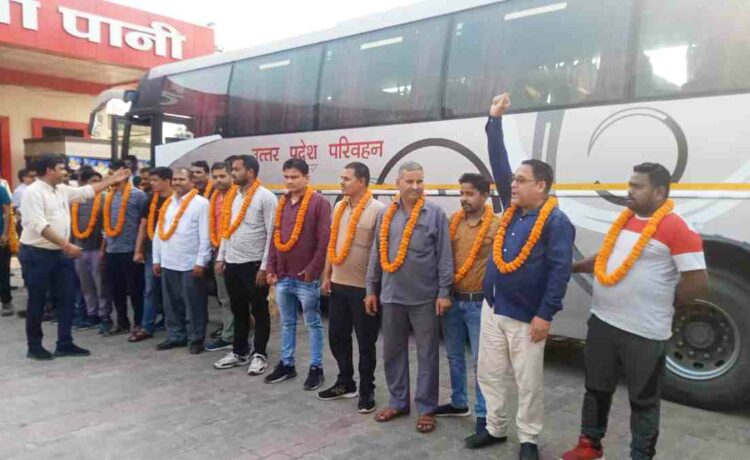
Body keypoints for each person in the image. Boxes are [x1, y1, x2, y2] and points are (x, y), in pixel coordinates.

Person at [560, 163, 708, 460]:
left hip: (644, 333)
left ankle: (641, 455)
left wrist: (665, 302)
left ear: (659, 192)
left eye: (637, 186)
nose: (629, 191)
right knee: (596, 388)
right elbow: (605, 257)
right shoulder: (625, 219)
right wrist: (571, 268)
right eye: (630, 184)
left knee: (644, 400)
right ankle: (590, 445)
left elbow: (697, 282)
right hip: (603, 322)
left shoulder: (676, 227)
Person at [466, 159, 575, 460]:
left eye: (521, 180)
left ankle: (528, 438)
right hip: (493, 307)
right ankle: (495, 427)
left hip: (527, 317)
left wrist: (545, 315)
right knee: (489, 373)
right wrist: (494, 129)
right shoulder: (512, 212)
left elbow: (559, 272)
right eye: (513, 179)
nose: (512, 185)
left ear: (540, 186)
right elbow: (497, 160)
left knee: (528, 383)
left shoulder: (556, 221)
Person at [434, 94, 512, 434]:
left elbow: (503, 170)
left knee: (484, 363)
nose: (464, 198)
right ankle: (458, 401)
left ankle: (483, 415)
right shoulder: (452, 223)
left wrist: (495, 121)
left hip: (481, 305)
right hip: (453, 301)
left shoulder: (498, 224)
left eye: (470, 194)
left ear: (485, 195)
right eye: (461, 193)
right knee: (453, 356)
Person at [366, 161, 454, 434]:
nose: (416, 187)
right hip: (392, 296)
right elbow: (376, 254)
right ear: (398, 184)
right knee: (392, 352)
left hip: (425, 298)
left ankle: (426, 408)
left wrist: (444, 293)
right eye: (410, 182)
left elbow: (445, 257)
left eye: (420, 181)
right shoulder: (386, 214)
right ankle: (398, 401)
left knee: (427, 354)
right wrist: (371, 289)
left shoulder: (435, 214)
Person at [19, 154, 130, 360]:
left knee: (67, 298)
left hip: (59, 253)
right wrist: (67, 245)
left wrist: (112, 180)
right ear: (49, 170)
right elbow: (38, 225)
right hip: (37, 253)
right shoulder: (32, 193)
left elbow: (86, 191)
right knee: (37, 300)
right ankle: (34, 346)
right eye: (61, 168)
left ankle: (64, 343)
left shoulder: (61, 189)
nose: (65, 172)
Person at [318, 162, 385, 413]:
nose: (342, 182)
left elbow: (380, 253)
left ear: (362, 181)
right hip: (338, 285)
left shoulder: (378, 209)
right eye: (342, 178)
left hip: (363, 291)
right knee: (337, 337)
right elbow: (332, 244)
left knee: (366, 343)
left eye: (347, 178)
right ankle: (345, 382)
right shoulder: (339, 207)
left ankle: (367, 390)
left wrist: (373, 290)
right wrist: (327, 275)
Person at [265, 158, 331, 389]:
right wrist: (271, 267)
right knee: (287, 323)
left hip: (305, 278)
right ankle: (287, 364)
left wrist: (312, 270)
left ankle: (316, 368)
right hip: (283, 276)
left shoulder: (319, 203)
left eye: (294, 177)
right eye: (286, 177)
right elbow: (274, 237)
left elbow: (324, 242)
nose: (290, 181)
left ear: (306, 178)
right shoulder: (282, 202)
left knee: (312, 323)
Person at [214, 155, 276, 373]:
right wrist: (221, 257)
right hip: (232, 262)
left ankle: (259, 353)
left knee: (259, 310)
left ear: (250, 171)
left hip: (255, 265)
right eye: (232, 169)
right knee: (238, 309)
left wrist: (264, 267)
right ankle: (239, 351)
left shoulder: (265, 197)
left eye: (236, 169)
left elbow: (271, 234)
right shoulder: (232, 196)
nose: (232, 173)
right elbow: (227, 229)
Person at [153, 168, 212, 354]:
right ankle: (176, 336)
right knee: (171, 304)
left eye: (182, 179)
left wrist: (201, 261)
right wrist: (156, 259)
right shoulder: (168, 203)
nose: (177, 182)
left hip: (190, 263)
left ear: (192, 182)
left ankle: (196, 339)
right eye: (175, 179)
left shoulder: (201, 203)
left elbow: (206, 235)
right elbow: (158, 233)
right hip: (169, 261)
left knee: (194, 304)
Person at [102, 160, 148, 337]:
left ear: (124, 174)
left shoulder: (138, 195)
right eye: (110, 173)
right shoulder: (109, 196)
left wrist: (139, 249)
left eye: (113, 173)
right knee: (116, 289)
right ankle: (121, 322)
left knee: (135, 290)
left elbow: (143, 224)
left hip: (130, 250)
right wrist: (104, 249)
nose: (110, 177)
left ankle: (139, 323)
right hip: (112, 250)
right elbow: (106, 226)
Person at [131, 167, 173, 342]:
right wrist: (138, 250)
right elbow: (143, 226)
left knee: (172, 291)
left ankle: (174, 326)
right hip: (152, 252)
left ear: (167, 181)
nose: (151, 183)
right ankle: (147, 326)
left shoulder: (178, 200)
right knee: (150, 290)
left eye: (155, 180)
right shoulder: (150, 200)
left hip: (173, 252)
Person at [205, 161, 239, 352]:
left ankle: (231, 335)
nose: (218, 180)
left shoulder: (238, 196)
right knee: (224, 297)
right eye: (215, 177)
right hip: (218, 249)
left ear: (231, 176)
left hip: (235, 253)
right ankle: (229, 331)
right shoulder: (215, 196)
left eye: (222, 176)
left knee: (235, 297)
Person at [70, 167, 110, 329]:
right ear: (83, 183)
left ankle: (104, 315)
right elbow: (70, 226)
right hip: (79, 249)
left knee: (101, 285)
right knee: (85, 285)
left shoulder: (104, 199)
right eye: (93, 182)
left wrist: (103, 250)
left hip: (97, 249)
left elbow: (107, 227)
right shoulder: (75, 200)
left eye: (99, 181)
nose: (97, 185)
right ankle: (91, 314)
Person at [0, 181, 12, 317]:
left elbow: (7, 211)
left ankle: (6, 302)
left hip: (0, 236)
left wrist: (5, 233)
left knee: (3, 270)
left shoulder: (1, 189)